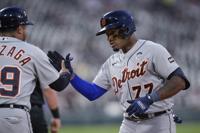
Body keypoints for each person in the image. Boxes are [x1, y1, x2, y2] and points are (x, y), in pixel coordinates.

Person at [48, 10, 190, 133]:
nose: (109, 38)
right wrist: (72, 76)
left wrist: (149, 99)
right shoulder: (111, 62)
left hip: (158, 121)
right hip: (129, 123)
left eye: (113, 33)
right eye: (107, 35)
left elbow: (180, 81)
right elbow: (93, 93)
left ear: (126, 29)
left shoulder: (153, 50)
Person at [0, 6, 70, 133]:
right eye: (25, 27)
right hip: (15, 116)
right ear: (19, 29)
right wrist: (66, 71)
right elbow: (58, 85)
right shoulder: (31, 51)